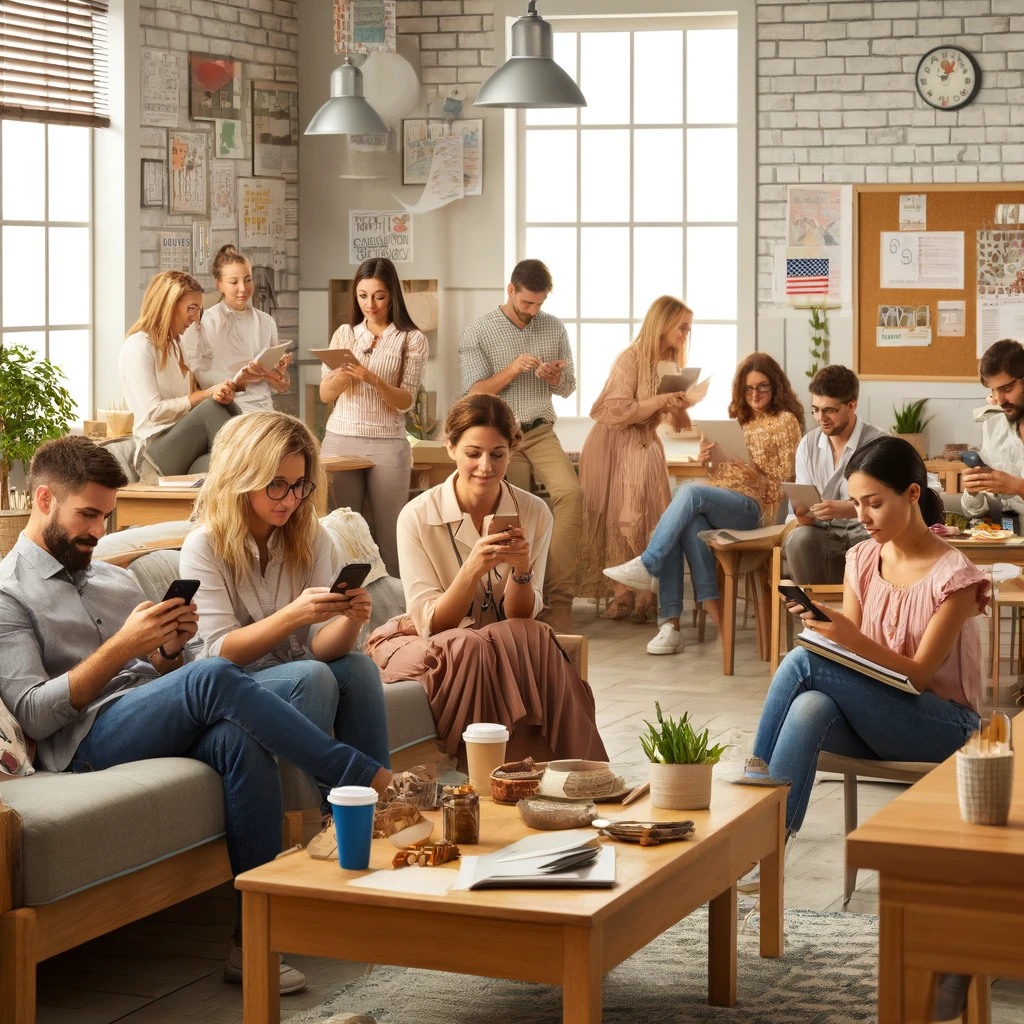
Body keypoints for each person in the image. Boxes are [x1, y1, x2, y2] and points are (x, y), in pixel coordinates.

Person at [0, 436, 393, 994]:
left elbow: (163, 677)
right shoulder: (8, 593)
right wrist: (125, 648)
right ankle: (365, 780)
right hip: (86, 742)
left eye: (107, 518)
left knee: (239, 738)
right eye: (87, 515)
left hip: (150, 712)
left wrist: (165, 651)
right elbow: (36, 715)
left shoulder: (113, 577)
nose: (98, 532)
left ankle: (253, 941)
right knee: (212, 674)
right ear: (43, 500)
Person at [748, 436, 984, 840]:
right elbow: (849, 656)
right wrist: (829, 631)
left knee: (802, 663)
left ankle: (752, 782)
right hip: (876, 718)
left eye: (874, 503)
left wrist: (844, 636)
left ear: (912, 494)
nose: (863, 516)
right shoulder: (860, 559)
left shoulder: (956, 576)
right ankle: (763, 846)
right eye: (856, 504)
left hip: (945, 728)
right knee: (809, 706)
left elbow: (918, 676)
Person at [366, 394, 607, 764]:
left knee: (533, 634)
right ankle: (484, 775)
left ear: (513, 450)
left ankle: (584, 773)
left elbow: (521, 617)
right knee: (471, 646)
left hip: (498, 639)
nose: (485, 466)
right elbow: (432, 623)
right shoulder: (415, 515)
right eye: (473, 453)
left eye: (497, 454)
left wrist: (522, 569)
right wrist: (472, 568)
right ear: (450, 448)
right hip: (423, 642)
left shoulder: (534, 511)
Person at [179, 411, 392, 781]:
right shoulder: (204, 546)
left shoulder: (310, 536)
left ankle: (380, 808)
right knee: (312, 676)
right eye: (276, 484)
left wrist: (350, 619)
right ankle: (320, 813)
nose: (290, 499)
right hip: (231, 687)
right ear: (242, 477)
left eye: (299, 485)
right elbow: (220, 653)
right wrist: (294, 615)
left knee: (358, 667)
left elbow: (321, 646)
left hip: (290, 672)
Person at [604, 353, 804, 655]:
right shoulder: (742, 420)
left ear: (775, 386)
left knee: (689, 492)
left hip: (757, 510)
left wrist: (731, 460)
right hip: (728, 502)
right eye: (749, 389)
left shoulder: (785, 422)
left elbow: (779, 485)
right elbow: (722, 475)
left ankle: (649, 564)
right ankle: (669, 626)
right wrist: (710, 462)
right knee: (687, 522)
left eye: (762, 387)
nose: (755, 395)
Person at [459, 258, 582, 633]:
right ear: (510, 291)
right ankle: (508, 600)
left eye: (539, 304)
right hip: (500, 434)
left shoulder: (553, 327)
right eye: (527, 303)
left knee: (571, 495)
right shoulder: (478, 332)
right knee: (512, 511)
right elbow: (474, 392)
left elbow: (568, 387)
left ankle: (558, 601)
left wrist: (556, 376)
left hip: (541, 430)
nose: (533, 311)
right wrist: (512, 369)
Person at [577, 296, 694, 622]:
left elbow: (676, 424)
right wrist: (660, 400)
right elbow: (619, 411)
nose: (686, 333)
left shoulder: (671, 364)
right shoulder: (629, 358)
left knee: (652, 516)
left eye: (688, 327)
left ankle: (648, 594)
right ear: (663, 323)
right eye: (682, 326)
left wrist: (680, 404)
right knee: (619, 516)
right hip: (614, 443)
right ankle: (622, 595)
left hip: (646, 443)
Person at [319, 257, 428, 578]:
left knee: (391, 534)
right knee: (342, 532)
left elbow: (405, 402)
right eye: (363, 295)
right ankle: (346, 610)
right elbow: (326, 394)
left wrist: (374, 379)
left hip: (388, 444)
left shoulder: (411, 338)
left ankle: (397, 611)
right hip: (340, 439)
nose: (370, 304)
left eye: (379, 296)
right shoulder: (344, 335)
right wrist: (344, 376)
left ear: (392, 295)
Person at [120, 270, 252, 479]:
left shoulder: (174, 345)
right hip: (156, 451)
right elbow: (155, 412)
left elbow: (193, 395)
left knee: (226, 466)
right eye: (191, 308)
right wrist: (208, 394)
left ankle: (256, 464)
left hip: (183, 450)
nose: (196, 317)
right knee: (212, 407)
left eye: (199, 310)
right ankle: (258, 460)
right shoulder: (139, 345)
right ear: (167, 306)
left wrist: (229, 386)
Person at [782, 365, 886, 584]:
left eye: (829, 410)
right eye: (816, 410)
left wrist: (847, 509)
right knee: (798, 540)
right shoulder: (808, 444)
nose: (821, 418)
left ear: (852, 406)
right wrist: (803, 514)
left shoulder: (878, 443)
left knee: (878, 544)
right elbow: (805, 505)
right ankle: (815, 614)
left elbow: (887, 504)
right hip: (821, 531)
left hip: (867, 530)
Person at [183, 244, 292, 413]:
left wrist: (278, 376)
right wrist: (238, 379)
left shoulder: (266, 321)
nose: (243, 288)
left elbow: (278, 386)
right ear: (220, 285)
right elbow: (198, 376)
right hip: (227, 409)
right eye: (234, 282)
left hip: (265, 410)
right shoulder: (207, 321)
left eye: (248, 280)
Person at [962, 338, 1024, 522]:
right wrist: (973, 491)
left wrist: (1019, 487)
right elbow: (977, 513)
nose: (999, 400)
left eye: (1006, 389)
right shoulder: (993, 425)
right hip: (1010, 538)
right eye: (994, 391)